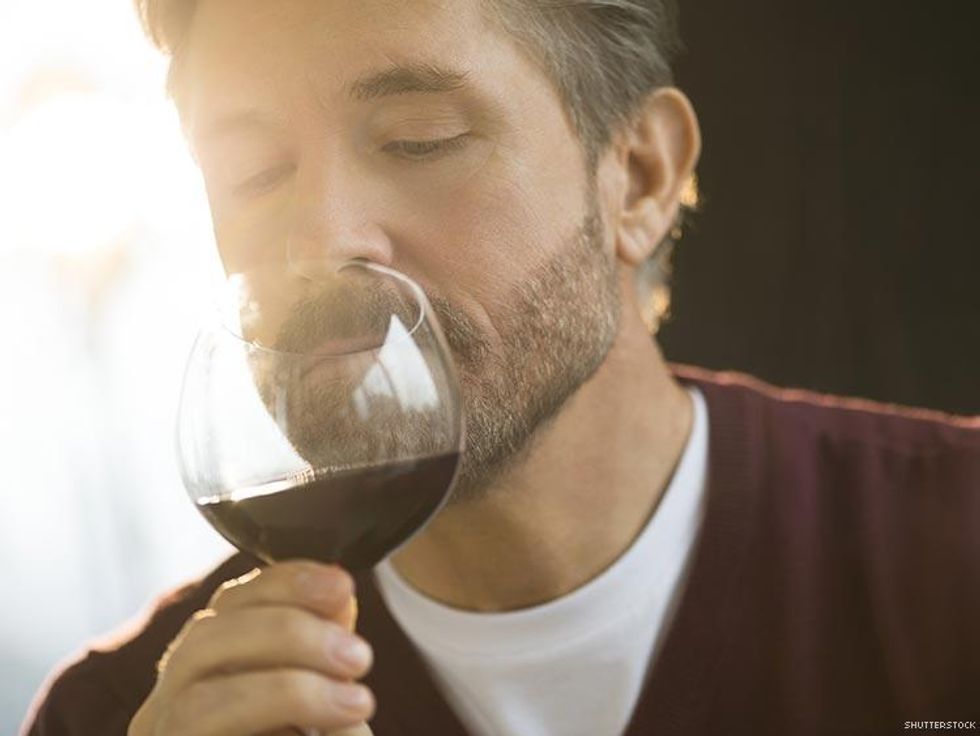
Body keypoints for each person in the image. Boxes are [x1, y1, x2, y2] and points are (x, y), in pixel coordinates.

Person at [24, 1, 980, 734]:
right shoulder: (122, 712)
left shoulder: (952, 564)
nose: (321, 240)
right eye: (253, 173)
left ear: (640, 176)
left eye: (419, 140)